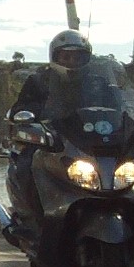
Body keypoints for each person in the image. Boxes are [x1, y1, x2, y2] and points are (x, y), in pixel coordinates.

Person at [5, 29, 91, 226]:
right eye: (66, 56)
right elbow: (20, 107)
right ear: (55, 57)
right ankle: (30, 219)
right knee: (26, 168)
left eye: (77, 57)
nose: (72, 61)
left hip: (89, 144)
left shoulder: (97, 83)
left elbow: (121, 105)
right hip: (50, 143)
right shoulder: (39, 80)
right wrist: (31, 114)